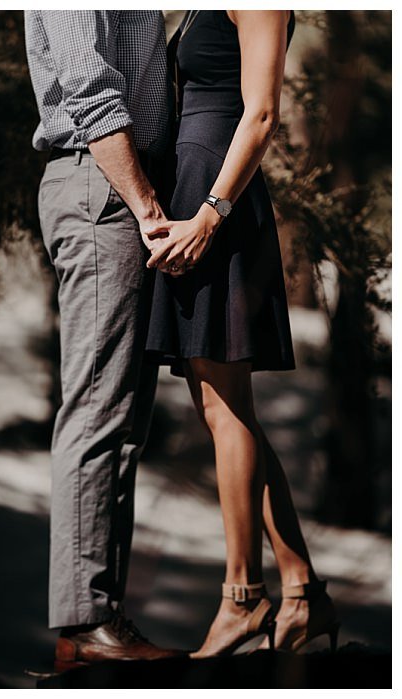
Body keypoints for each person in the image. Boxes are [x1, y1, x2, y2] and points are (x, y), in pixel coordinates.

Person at [146, 9, 338, 657]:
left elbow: (260, 114)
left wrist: (209, 214)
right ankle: (302, 589)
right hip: (199, 190)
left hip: (216, 200)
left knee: (226, 409)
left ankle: (242, 596)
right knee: (229, 408)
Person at [22, 10, 184, 671]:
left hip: (112, 179)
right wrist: (146, 206)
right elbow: (89, 85)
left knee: (121, 417)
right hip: (103, 181)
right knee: (97, 410)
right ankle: (87, 619)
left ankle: (98, 620)